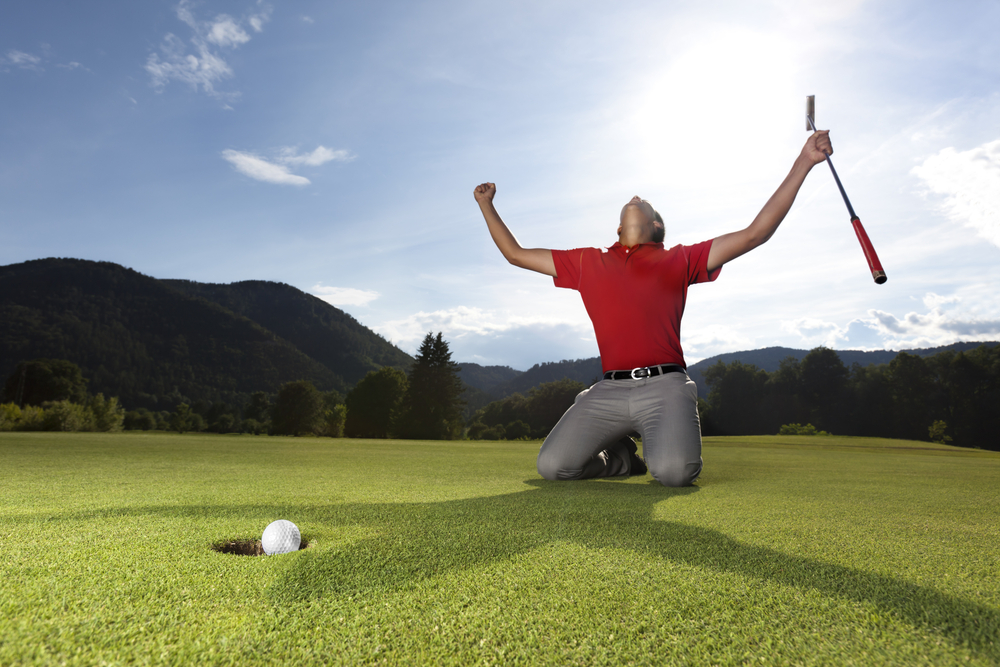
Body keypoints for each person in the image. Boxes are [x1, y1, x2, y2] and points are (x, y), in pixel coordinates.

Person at [474, 130, 834, 486]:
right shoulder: (587, 262)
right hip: (609, 391)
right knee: (554, 467)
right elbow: (516, 254)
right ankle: (620, 459)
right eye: (630, 201)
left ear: (656, 225)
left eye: (643, 202)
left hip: (665, 386)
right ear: (618, 228)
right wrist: (486, 205)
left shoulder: (680, 258)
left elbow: (756, 233)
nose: (635, 196)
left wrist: (804, 161)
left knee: (675, 473)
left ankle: (644, 448)